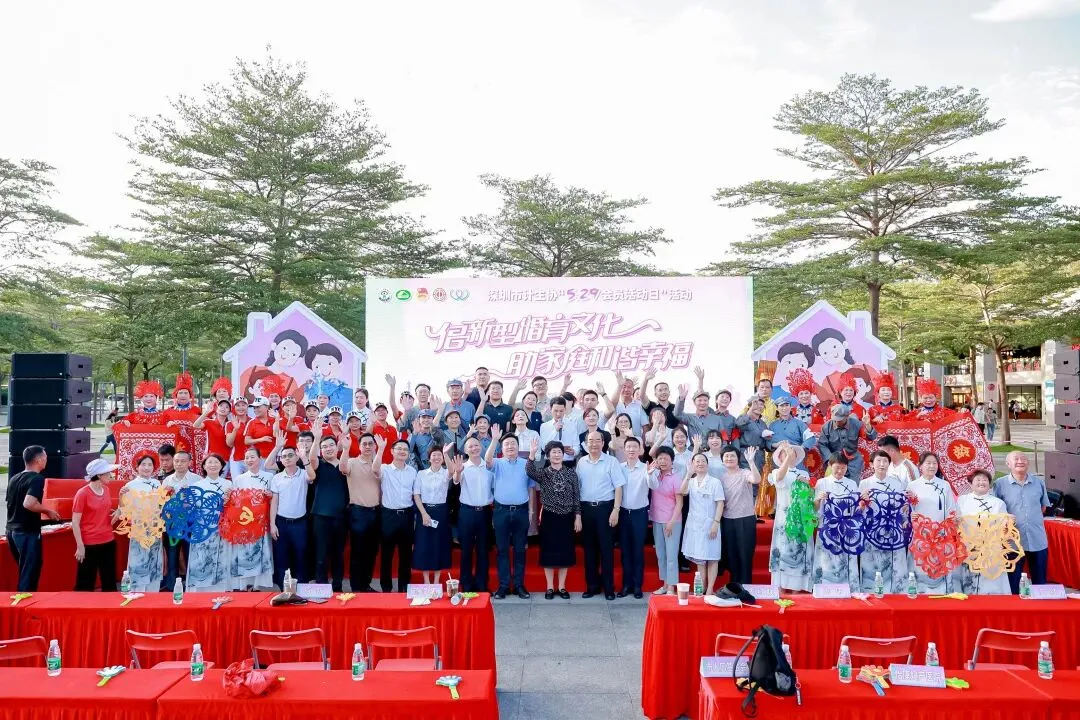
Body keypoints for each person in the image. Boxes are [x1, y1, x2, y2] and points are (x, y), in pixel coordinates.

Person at [526, 439, 581, 599]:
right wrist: (532, 453)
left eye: (559, 452)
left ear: (563, 455)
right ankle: (550, 587)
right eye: (553, 452)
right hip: (549, 516)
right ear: (548, 456)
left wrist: (578, 516)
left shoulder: (571, 472)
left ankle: (562, 587)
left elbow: (576, 495)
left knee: (565, 551)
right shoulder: (544, 473)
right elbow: (529, 470)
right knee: (548, 552)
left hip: (567, 517)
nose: (556, 455)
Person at [576, 430, 625, 600]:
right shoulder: (581, 462)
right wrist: (578, 514)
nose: (594, 444)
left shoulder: (611, 462)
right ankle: (592, 586)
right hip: (586, 509)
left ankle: (609, 588)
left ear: (603, 443)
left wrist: (616, 510)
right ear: (585, 444)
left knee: (606, 550)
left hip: (606, 509)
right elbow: (577, 488)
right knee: (589, 550)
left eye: (598, 440)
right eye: (591, 440)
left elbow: (618, 486)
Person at [486, 429, 535, 599]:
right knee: (502, 549)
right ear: (502, 448)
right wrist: (494, 440)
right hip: (501, 511)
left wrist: (531, 511)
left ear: (518, 446)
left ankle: (519, 585)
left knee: (520, 550)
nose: (510, 446)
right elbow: (487, 460)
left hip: (521, 511)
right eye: (506, 444)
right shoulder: (497, 463)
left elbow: (531, 488)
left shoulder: (526, 464)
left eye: (513, 443)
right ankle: (504, 586)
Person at [993, 451, 1050, 593]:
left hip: (1037, 538)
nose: (1020, 461)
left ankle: (1040, 605)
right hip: (1012, 540)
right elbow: (995, 509)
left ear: (1028, 462)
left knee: (1040, 580)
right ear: (1008, 464)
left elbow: (1043, 507)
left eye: (1023, 458)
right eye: (1016, 459)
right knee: (1013, 580)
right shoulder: (999, 484)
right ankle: (1014, 605)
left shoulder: (1039, 483)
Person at [4, 446, 58, 592]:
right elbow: (28, 503)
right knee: (30, 573)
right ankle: (25, 602)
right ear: (38, 460)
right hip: (26, 532)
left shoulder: (14, 478)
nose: (46, 459)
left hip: (11, 531)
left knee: (24, 569)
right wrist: (47, 511)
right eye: (45, 457)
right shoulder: (37, 479)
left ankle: (23, 598)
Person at [306, 417, 349, 592]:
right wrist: (317, 438)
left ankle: (337, 587)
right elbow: (312, 459)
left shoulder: (345, 465)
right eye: (324, 447)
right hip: (320, 516)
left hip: (341, 517)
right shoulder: (319, 464)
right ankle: (321, 586)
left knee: (338, 553)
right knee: (321, 553)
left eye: (331, 445)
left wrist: (345, 446)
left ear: (336, 447)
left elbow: (345, 466)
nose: (328, 448)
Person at [337, 432, 383, 592]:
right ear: (359, 446)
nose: (368, 446)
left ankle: (366, 584)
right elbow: (342, 468)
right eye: (365, 444)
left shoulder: (379, 464)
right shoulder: (352, 462)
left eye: (371, 444)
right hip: (358, 513)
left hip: (376, 513)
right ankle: (356, 586)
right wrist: (345, 449)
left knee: (372, 551)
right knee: (358, 551)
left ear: (375, 446)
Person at [907, 452, 959, 593]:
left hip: (940, 533)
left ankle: (941, 592)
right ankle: (918, 592)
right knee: (919, 564)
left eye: (934, 463)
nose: (932, 466)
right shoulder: (912, 485)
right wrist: (911, 515)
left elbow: (951, 508)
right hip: (920, 533)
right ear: (920, 466)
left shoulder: (944, 485)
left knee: (939, 563)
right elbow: (907, 508)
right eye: (928, 463)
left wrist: (951, 521)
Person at [858, 451, 910, 593]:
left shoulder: (896, 483)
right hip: (871, 529)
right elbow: (858, 509)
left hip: (892, 529)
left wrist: (905, 513)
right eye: (878, 461)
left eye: (885, 461)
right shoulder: (864, 483)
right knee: (872, 562)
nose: (882, 464)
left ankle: (896, 591)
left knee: (894, 562)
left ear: (889, 464)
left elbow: (901, 507)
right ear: (871, 464)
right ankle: (870, 590)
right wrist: (862, 502)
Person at [767, 442, 813, 592]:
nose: (789, 453)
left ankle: (797, 589)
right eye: (785, 452)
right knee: (783, 550)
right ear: (780, 456)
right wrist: (787, 457)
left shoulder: (803, 474)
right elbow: (779, 478)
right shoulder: (776, 472)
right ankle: (780, 588)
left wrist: (807, 486)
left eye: (792, 452)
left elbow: (808, 497)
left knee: (799, 550)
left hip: (801, 518)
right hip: (784, 517)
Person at [957, 469, 1011, 595]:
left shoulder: (998, 503)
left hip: (991, 549)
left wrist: (1008, 521)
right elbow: (956, 522)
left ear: (989, 483)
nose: (981, 482)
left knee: (990, 583)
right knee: (969, 581)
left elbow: (1003, 527)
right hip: (969, 547)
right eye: (978, 480)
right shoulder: (962, 500)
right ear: (971, 484)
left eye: (985, 480)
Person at [229, 446, 275, 590]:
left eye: (252, 457)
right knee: (245, 551)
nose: (249, 460)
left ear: (260, 459)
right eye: (247, 458)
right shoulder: (239, 479)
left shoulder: (269, 477)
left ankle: (258, 585)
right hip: (244, 522)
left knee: (261, 550)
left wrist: (270, 496)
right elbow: (234, 501)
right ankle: (244, 584)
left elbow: (275, 498)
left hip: (262, 521)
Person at [812, 453, 861, 588]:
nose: (840, 471)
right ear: (830, 465)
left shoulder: (851, 484)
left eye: (843, 468)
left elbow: (855, 507)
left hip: (846, 527)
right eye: (837, 468)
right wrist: (818, 499)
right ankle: (823, 587)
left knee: (845, 558)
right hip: (827, 527)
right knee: (826, 559)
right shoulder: (822, 482)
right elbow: (815, 508)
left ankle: (848, 587)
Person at [679, 452, 725, 596]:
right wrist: (688, 474)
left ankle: (710, 589)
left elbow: (720, 503)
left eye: (703, 461)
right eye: (697, 461)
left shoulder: (715, 482)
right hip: (695, 525)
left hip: (711, 524)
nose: (700, 463)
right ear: (693, 464)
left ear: (707, 464)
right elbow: (682, 491)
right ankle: (702, 587)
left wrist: (715, 523)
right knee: (700, 558)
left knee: (712, 557)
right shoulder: (691, 481)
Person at [185, 454, 232, 591]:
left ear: (222, 466)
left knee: (221, 556)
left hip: (222, 527)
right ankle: (200, 588)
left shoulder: (228, 484)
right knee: (201, 557)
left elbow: (234, 506)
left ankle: (220, 588)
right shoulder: (196, 486)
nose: (213, 465)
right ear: (204, 466)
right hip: (202, 527)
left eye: (216, 462)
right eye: (209, 462)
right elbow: (190, 509)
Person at [121, 450, 166, 592]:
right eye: (143, 464)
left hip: (155, 527)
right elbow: (124, 510)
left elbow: (161, 505)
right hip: (139, 528)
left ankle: (153, 590)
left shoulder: (157, 484)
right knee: (139, 558)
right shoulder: (130, 486)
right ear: (137, 467)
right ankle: (136, 590)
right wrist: (121, 497)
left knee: (154, 557)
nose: (147, 468)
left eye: (150, 465)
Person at [269, 436, 310, 588]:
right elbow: (274, 502)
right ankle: (284, 589)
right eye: (284, 456)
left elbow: (313, 476)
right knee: (281, 557)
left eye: (290, 455)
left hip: (300, 522)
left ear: (296, 457)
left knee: (301, 555)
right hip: (281, 522)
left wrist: (304, 457)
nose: (287, 458)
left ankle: (302, 588)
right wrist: (272, 524)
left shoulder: (303, 474)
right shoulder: (277, 478)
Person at [73, 458, 120, 592]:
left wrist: (117, 511)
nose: (111, 475)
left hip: (108, 540)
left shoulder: (106, 490)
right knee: (85, 583)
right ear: (99, 475)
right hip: (90, 543)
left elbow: (104, 511)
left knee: (109, 581)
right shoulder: (82, 494)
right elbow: (75, 522)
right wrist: (80, 546)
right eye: (108, 473)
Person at [717, 445, 761, 585]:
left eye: (732, 456)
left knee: (745, 554)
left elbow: (756, 479)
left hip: (745, 519)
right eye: (726, 456)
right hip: (727, 520)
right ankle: (734, 587)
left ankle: (745, 586)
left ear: (737, 458)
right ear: (722, 460)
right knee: (731, 555)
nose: (729, 458)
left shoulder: (745, 473)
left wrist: (751, 462)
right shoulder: (721, 478)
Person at [378, 440, 419, 592]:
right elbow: (374, 470)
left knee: (406, 554)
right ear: (392, 451)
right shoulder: (384, 468)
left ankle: (404, 587)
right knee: (386, 554)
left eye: (405, 449)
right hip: (389, 515)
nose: (402, 451)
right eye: (399, 448)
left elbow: (416, 493)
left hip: (407, 515)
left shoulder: (412, 471)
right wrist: (380, 448)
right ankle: (386, 587)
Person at [455, 437, 494, 593]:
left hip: (485, 512)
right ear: (466, 450)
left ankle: (482, 585)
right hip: (467, 512)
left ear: (481, 447)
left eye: (476, 445)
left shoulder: (489, 467)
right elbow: (456, 481)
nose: (474, 448)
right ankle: (466, 585)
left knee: (483, 550)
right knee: (466, 550)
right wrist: (457, 472)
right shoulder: (463, 467)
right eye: (470, 446)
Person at [412, 447, 453, 584]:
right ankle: (426, 580)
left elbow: (452, 471)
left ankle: (436, 580)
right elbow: (416, 494)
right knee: (424, 545)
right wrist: (424, 514)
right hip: (424, 510)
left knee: (438, 545)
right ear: (429, 458)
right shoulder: (421, 474)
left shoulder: (446, 473)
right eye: (434, 455)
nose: (436, 458)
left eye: (439, 455)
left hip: (441, 511)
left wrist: (446, 453)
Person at [647, 446, 683, 595]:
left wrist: (672, 522)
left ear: (672, 461)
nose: (662, 461)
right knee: (661, 554)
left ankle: (671, 587)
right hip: (656, 519)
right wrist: (650, 472)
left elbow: (679, 503)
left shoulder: (676, 478)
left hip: (672, 521)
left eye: (666, 458)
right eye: (660, 458)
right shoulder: (654, 476)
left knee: (671, 555)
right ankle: (665, 584)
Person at [160, 449, 199, 591]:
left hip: (190, 523)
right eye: (176, 461)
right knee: (172, 554)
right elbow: (162, 502)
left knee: (191, 553)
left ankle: (191, 585)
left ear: (189, 462)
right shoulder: (167, 480)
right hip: (173, 524)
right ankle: (172, 586)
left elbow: (200, 502)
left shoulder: (197, 480)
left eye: (183, 461)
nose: (179, 464)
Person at [618, 436, 650, 598]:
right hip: (623, 513)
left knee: (638, 550)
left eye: (634, 447)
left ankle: (637, 586)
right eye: (628, 447)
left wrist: (650, 474)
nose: (631, 449)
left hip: (640, 514)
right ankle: (626, 585)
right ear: (624, 450)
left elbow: (654, 485)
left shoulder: (646, 468)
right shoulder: (619, 467)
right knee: (625, 551)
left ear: (640, 450)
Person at [818, 404, 876, 480]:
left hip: (853, 460)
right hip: (835, 460)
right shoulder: (826, 427)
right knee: (833, 483)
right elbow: (822, 444)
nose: (837, 421)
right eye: (835, 419)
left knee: (853, 484)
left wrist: (867, 425)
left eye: (840, 420)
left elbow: (871, 437)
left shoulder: (856, 423)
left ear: (847, 417)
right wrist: (830, 459)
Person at [225, 396, 251, 479]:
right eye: (238, 405)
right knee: (237, 483)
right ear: (234, 407)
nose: (241, 408)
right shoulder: (229, 424)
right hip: (236, 458)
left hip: (251, 458)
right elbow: (229, 444)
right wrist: (235, 429)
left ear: (247, 407)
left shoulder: (252, 421)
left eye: (243, 405)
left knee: (251, 483)